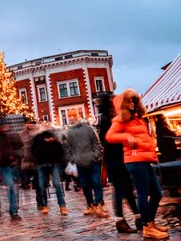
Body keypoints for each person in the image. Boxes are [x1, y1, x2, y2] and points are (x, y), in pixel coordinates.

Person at [106, 89, 169, 239]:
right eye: (129, 101)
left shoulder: (138, 118)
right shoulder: (120, 119)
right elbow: (110, 136)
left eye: (134, 100)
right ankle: (147, 227)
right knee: (143, 194)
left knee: (157, 194)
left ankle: (150, 223)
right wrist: (126, 136)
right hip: (134, 160)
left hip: (145, 159)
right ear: (123, 104)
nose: (132, 103)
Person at [97, 93, 141, 233]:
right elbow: (107, 140)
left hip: (122, 157)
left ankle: (137, 217)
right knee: (120, 189)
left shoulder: (117, 117)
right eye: (111, 100)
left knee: (127, 190)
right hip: (114, 160)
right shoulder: (105, 120)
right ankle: (120, 220)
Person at [65, 109, 108, 218]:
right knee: (85, 184)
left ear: (78, 116)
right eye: (69, 116)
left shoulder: (88, 129)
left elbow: (96, 143)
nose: (71, 118)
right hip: (80, 162)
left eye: (73, 115)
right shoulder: (69, 132)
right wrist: (73, 158)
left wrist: (95, 156)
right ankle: (90, 204)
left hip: (92, 160)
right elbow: (68, 148)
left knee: (96, 182)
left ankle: (99, 203)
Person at [0, 121, 22, 220]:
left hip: (12, 164)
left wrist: (16, 157)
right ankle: (12, 211)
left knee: (13, 188)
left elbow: (19, 146)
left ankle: (13, 210)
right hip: (3, 165)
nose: (5, 128)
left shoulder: (12, 135)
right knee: (10, 187)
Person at [32, 124, 68, 215]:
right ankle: (45, 206)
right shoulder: (37, 138)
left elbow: (60, 149)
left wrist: (58, 159)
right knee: (42, 185)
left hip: (53, 163)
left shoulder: (53, 137)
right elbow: (34, 150)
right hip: (42, 164)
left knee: (57, 184)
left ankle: (62, 206)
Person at [19, 117, 42, 210]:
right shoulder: (21, 134)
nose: (30, 125)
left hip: (36, 161)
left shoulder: (38, 133)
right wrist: (21, 155)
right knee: (25, 181)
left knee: (38, 183)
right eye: (28, 123)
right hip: (26, 161)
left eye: (32, 123)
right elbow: (19, 147)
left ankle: (40, 201)